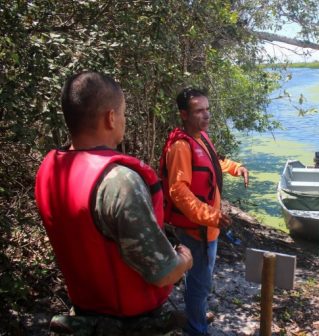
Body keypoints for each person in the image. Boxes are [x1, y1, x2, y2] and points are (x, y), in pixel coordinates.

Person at [34, 71, 193, 334]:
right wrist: (185, 260)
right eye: (123, 113)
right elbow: (164, 272)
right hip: (128, 325)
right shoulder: (119, 181)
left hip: (83, 314)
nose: (124, 120)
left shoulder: (48, 170)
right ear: (110, 117)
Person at [159, 88, 249, 335]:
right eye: (199, 111)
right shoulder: (180, 146)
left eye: (207, 109)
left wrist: (235, 168)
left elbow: (212, 160)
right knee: (200, 282)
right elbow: (179, 191)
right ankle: (196, 328)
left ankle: (195, 314)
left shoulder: (200, 137)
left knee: (199, 279)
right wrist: (211, 216)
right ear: (184, 114)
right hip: (197, 229)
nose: (206, 115)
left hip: (207, 227)